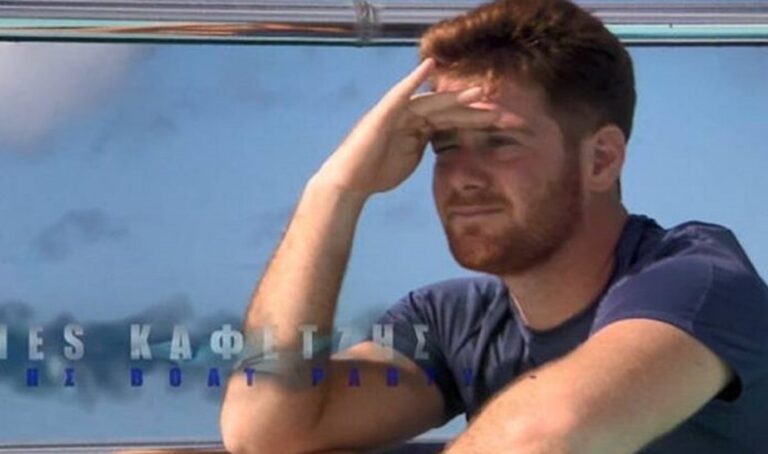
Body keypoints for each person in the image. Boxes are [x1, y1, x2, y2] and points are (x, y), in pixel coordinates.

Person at [220, 0, 768, 452]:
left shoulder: (700, 282)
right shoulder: (450, 322)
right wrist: (336, 190)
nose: (462, 177)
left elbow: (541, 436)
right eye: (445, 147)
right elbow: (265, 432)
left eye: (499, 142)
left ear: (601, 159)